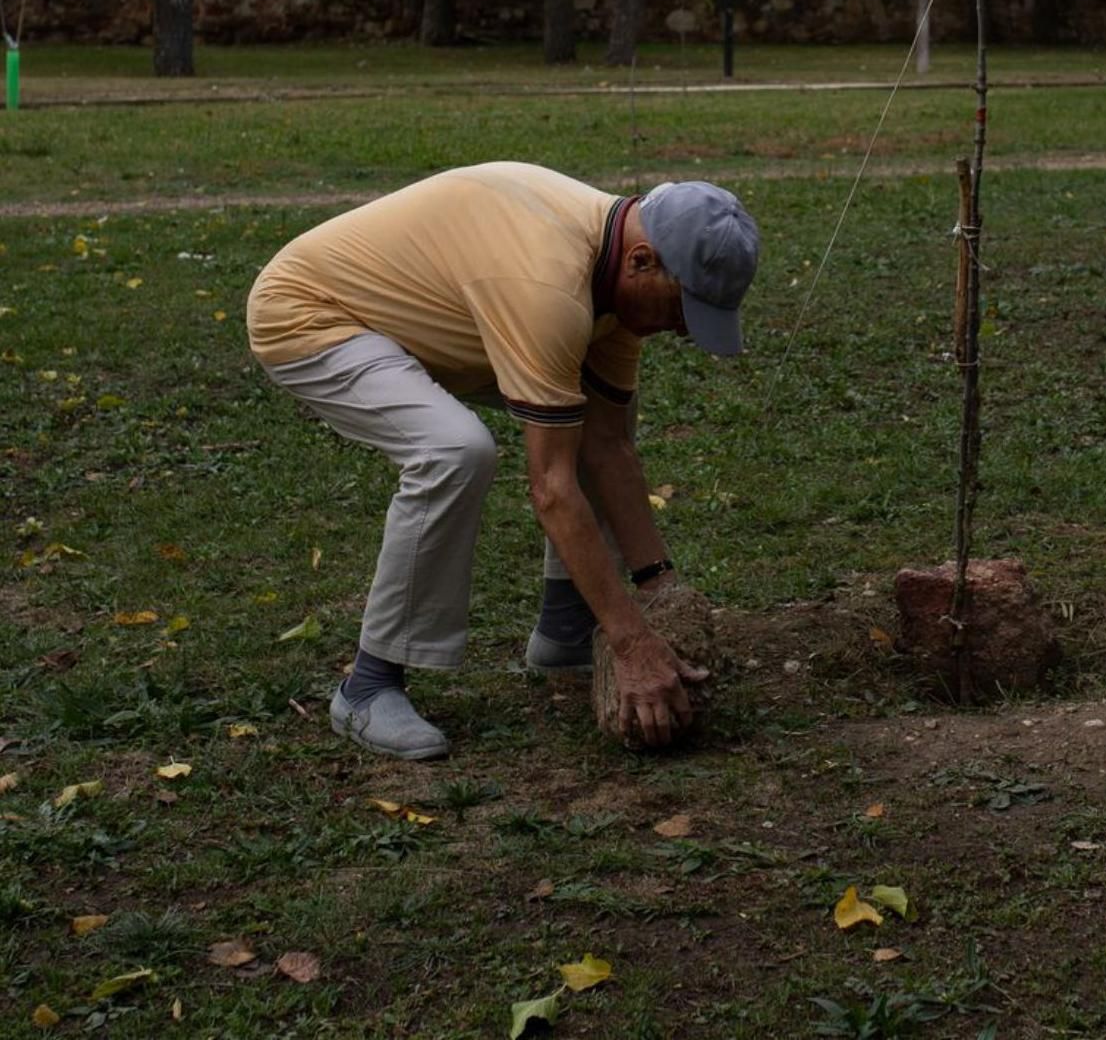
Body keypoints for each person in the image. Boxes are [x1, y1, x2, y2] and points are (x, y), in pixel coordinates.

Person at [245, 163, 759, 760]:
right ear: (641, 261)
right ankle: (367, 686)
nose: (681, 330)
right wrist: (631, 642)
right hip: (314, 313)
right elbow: (552, 490)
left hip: (436, 320)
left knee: (608, 412)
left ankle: (567, 632)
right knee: (454, 450)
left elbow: (607, 446)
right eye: (680, 310)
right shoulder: (549, 284)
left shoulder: (614, 269)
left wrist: (659, 588)